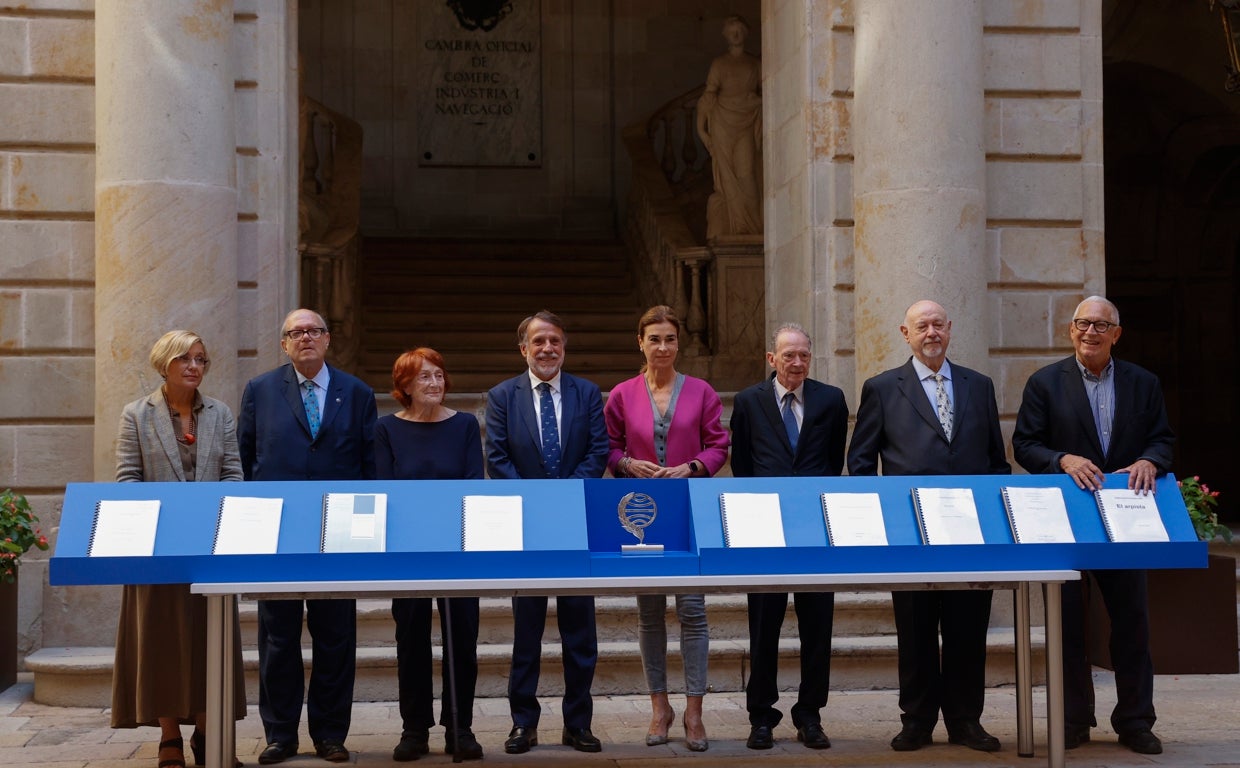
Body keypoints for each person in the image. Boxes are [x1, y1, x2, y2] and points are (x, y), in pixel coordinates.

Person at [1012, 296, 1173, 755]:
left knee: (1132, 624)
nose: (1091, 332)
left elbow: (1163, 439)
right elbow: (1025, 444)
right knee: (1067, 626)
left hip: (1126, 521)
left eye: (1102, 326)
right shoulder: (1044, 383)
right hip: (1066, 519)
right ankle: (1073, 720)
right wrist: (1062, 459)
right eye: (1083, 323)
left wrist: (1149, 459)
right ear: (1071, 330)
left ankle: (1136, 722)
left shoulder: (1144, 383)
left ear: (1116, 335)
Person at [847, 300, 1009, 753]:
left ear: (950, 328)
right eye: (922, 326)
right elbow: (860, 463)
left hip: (971, 533)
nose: (931, 332)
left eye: (938, 324)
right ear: (906, 333)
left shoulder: (979, 386)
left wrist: (994, 521)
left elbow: (997, 461)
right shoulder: (882, 388)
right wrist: (880, 521)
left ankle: (965, 721)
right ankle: (916, 721)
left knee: (968, 628)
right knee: (915, 630)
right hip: (910, 532)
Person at [239, 309, 377, 764]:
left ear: (328, 339)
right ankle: (280, 734)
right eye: (295, 333)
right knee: (277, 639)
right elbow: (246, 459)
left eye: (314, 331)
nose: (305, 338)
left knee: (335, 637)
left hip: (340, 533)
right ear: (284, 344)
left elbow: (369, 465)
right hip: (278, 533)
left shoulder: (355, 393)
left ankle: (331, 734)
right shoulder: (260, 390)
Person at [110, 330, 246, 768]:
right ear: (164, 363)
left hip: (210, 544)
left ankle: (208, 733)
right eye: (185, 358)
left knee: (212, 636)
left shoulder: (220, 413)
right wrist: (160, 520)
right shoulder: (136, 414)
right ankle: (169, 736)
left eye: (201, 359)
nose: (194, 366)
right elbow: (127, 478)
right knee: (160, 639)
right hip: (156, 547)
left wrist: (214, 517)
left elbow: (233, 475)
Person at [603, 305, 729, 752]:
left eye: (669, 339)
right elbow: (609, 446)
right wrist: (624, 463)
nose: (662, 347)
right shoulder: (621, 394)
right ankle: (661, 707)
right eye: (653, 339)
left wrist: (692, 466)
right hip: (640, 514)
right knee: (649, 613)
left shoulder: (701, 391)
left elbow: (718, 445)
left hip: (689, 513)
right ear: (640, 342)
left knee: (692, 611)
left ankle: (694, 712)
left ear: (679, 344)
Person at [485, 310, 609, 754]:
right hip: (528, 531)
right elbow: (497, 458)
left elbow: (599, 452)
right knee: (526, 634)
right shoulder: (502, 396)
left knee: (581, 634)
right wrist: (536, 505)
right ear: (524, 349)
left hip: (577, 526)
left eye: (554, 341)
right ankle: (524, 722)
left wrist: (564, 498)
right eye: (538, 342)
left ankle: (578, 723)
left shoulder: (588, 393)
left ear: (564, 347)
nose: (547, 349)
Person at [729, 323, 848, 751]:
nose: (797, 363)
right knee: (764, 627)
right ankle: (761, 716)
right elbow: (741, 464)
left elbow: (835, 460)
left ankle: (810, 715)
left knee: (818, 626)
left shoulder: (831, 400)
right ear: (771, 359)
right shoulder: (747, 402)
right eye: (788, 356)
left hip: (816, 529)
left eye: (803, 355)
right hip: (764, 530)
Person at [375, 348, 485, 762]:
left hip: (458, 550)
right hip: (408, 552)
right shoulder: (385, 429)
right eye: (424, 377)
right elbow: (386, 490)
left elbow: (474, 485)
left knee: (463, 639)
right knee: (412, 639)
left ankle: (461, 728)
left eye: (439, 375)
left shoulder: (464, 426)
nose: (435, 383)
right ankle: (414, 729)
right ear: (404, 386)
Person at [696, 14, 763, 239]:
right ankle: (737, 228)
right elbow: (708, 97)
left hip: (747, 120)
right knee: (726, 177)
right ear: (726, 35)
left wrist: (757, 102)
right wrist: (701, 130)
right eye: (732, 30)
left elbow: (770, 90)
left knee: (747, 176)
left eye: (740, 30)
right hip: (722, 121)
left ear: (746, 33)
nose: (736, 34)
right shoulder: (720, 64)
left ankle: (752, 226)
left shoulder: (755, 64)